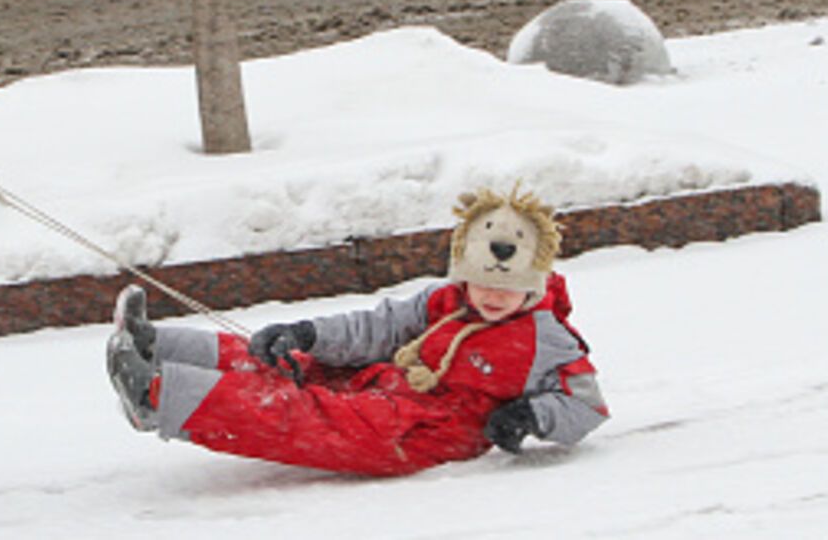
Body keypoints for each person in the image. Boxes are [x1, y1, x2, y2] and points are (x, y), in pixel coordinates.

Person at [105, 186, 607, 476]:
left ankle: (156, 397)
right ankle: (158, 348)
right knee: (293, 367)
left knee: (303, 414)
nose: (493, 296)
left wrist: (530, 414)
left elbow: (587, 405)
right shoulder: (443, 301)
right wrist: (306, 334)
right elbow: (377, 327)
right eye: (479, 284)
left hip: (426, 433)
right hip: (387, 383)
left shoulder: (547, 339)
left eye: (510, 288)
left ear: (535, 284)